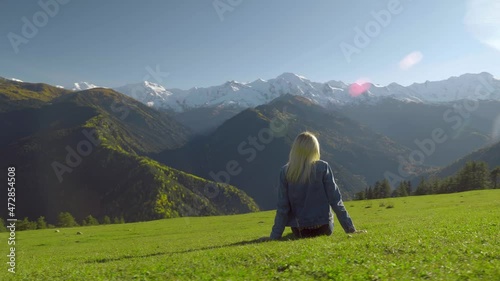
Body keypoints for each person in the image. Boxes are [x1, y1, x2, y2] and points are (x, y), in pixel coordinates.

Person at [269, 131, 359, 240]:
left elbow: (283, 207)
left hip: (299, 231)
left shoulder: (286, 171)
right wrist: (350, 229)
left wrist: (275, 236)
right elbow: (336, 201)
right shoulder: (323, 167)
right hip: (324, 228)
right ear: (314, 149)